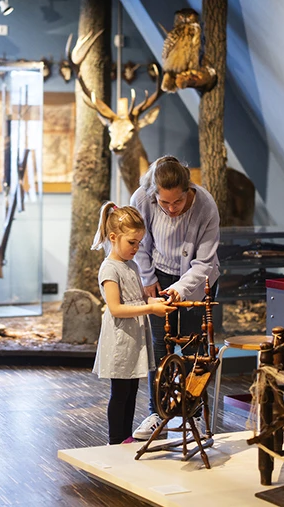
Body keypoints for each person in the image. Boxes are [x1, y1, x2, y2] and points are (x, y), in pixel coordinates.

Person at [129, 155, 221, 440]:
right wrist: (148, 278)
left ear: (188, 190)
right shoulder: (142, 198)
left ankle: (193, 414)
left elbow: (204, 262)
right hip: (158, 276)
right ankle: (158, 413)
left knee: (194, 347)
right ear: (153, 194)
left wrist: (181, 289)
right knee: (160, 345)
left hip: (197, 279)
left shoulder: (205, 205)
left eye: (177, 202)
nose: (171, 209)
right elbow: (140, 243)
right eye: (164, 202)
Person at [91, 202, 176, 445]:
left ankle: (125, 437)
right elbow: (116, 308)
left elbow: (138, 298)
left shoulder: (132, 265)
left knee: (131, 391)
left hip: (134, 339)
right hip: (120, 340)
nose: (136, 248)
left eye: (139, 242)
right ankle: (116, 440)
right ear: (113, 237)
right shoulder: (109, 268)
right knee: (120, 392)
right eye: (132, 242)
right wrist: (149, 308)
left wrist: (154, 301)